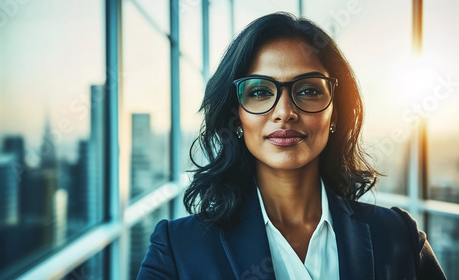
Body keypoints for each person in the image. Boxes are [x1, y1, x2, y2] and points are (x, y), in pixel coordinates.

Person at [137, 12, 447, 280]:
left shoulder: (398, 237)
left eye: (309, 90)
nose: (285, 112)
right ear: (236, 115)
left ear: (334, 112)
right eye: (260, 92)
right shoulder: (177, 249)